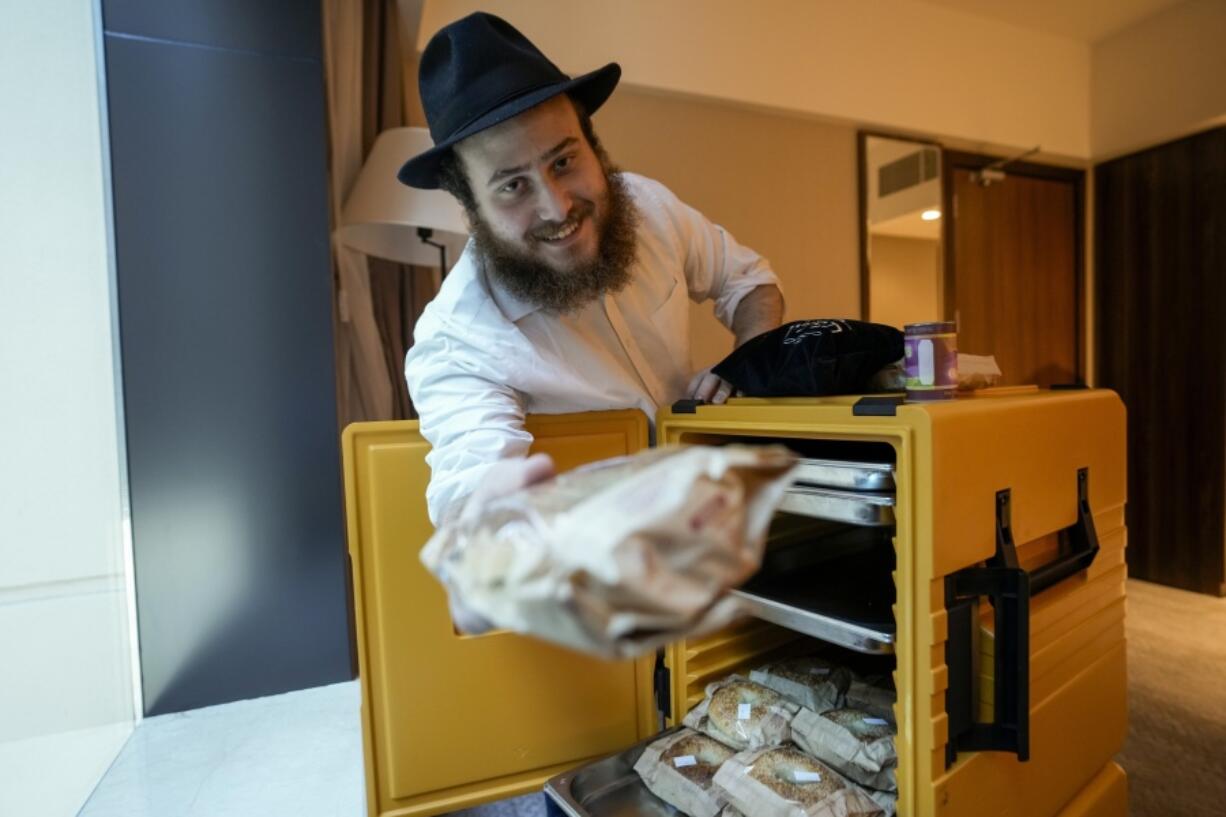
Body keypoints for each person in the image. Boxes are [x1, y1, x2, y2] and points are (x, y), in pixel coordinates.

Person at [400, 12, 785, 527]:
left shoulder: (649, 206)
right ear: (470, 204)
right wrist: (493, 533)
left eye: (563, 162)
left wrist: (748, 366)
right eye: (513, 186)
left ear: (592, 143)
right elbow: (472, 488)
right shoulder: (458, 340)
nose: (558, 209)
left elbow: (750, 283)